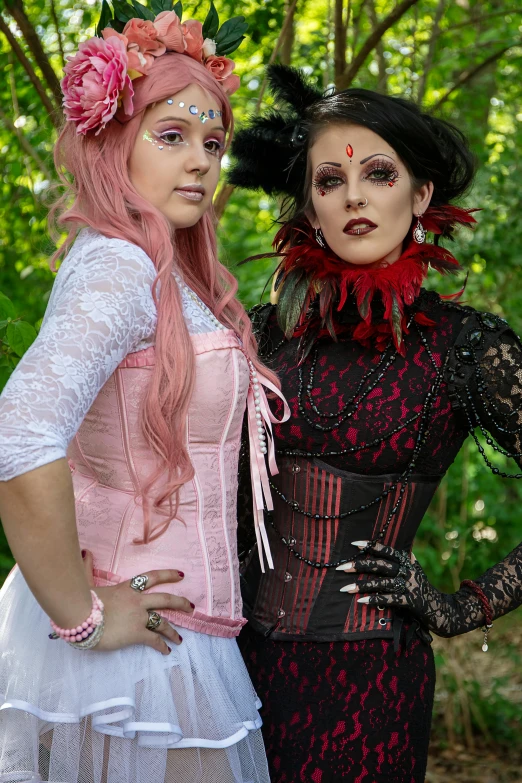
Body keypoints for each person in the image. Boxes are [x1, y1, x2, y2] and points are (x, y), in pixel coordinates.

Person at [0, 8, 288, 783]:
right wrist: (84, 617)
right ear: (113, 140)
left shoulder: (157, 270)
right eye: (171, 136)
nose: (199, 162)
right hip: (141, 652)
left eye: (212, 143)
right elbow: (19, 434)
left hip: (173, 641)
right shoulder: (118, 268)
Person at [228, 65, 522, 783]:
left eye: (379, 174)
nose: (354, 195)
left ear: (421, 195)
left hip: (369, 688)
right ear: (310, 205)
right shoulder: (262, 334)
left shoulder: (468, 349)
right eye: (330, 180)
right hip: (229, 671)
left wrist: (459, 606)